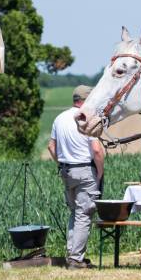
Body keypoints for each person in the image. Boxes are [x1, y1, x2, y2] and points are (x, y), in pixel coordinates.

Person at [48, 85, 104, 269]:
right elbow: (96, 150)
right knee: (84, 213)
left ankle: (72, 254)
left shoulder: (59, 118)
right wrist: (100, 172)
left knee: (75, 212)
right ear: (86, 100)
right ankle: (76, 259)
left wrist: (61, 163)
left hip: (66, 171)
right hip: (84, 170)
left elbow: (51, 147)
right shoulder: (87, 118)